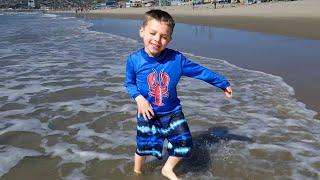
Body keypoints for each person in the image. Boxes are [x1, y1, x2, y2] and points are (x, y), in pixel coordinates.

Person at [124, 9, 232, 180]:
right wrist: (139, 99)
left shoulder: (176, 60)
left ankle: (167, 169)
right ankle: (137, 173)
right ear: (142, 31)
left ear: (170, 40)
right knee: (143, 147)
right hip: (147, 113)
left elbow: (200, 71)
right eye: (153, 33)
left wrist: (222, 83)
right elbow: (129, 83)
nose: (157, 40)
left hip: (172, 112)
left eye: (164, 36)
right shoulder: (133, 60)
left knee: (184, 143)